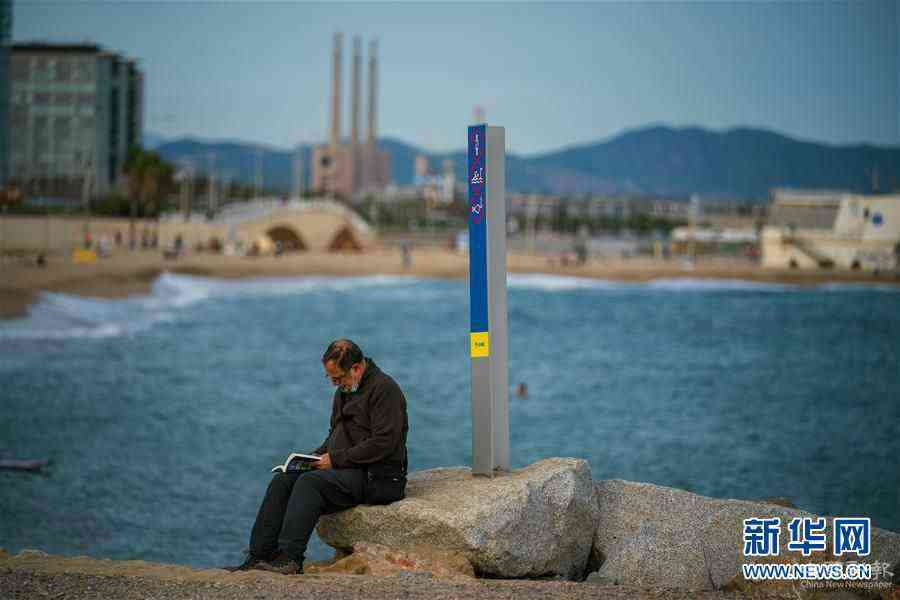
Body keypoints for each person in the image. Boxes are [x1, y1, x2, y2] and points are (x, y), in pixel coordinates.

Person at [225, 339, 409, 575]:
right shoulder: (346, 389)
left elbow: (384, 443)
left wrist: (334, 459)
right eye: (330, 378)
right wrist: (312, 458)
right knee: (284, 479)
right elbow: (336, 436)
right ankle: (260, 556)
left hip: (380, 478)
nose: (334, 383)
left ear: (356, 368)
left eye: (338, 377)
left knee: (310, 484)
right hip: (349, 469)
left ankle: (290, 559)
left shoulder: (385, 390)